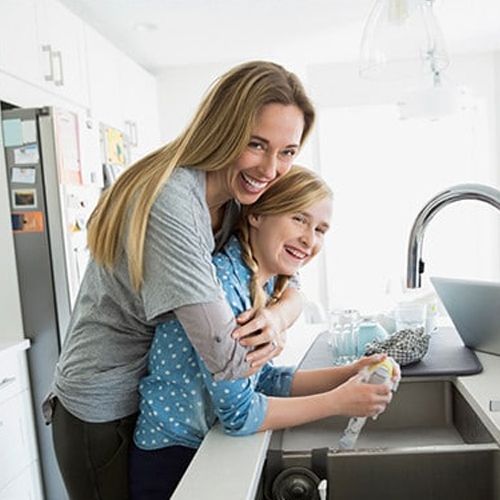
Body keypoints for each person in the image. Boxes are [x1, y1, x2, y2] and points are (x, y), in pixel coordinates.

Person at [48, 61, 315, 500]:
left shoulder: (235, 195)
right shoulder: (173, 201)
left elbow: (289, 273)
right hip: (101, 409)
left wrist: (278, 317)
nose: (271, 169)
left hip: (153, 396)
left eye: (287, 152)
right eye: (256, 144)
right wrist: (271, 332)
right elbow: (227, 360)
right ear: (223, 129)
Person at [129, 166, 395, 499]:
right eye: (298, 219)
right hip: (171, 460)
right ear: (256, 216)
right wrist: (338, 402)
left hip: (201, 447)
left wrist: (348, 374)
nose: (309, 240)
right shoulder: (223, 286)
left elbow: (264, 380)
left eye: (321, 229)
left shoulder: (260, 280)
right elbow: (239, 415)